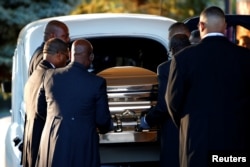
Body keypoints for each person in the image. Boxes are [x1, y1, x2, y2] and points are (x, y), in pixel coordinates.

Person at [166, 6, 250, 167]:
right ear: (225, 27)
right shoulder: (245, 57)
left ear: (201, 26)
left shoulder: (183, 59)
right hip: (236, 144)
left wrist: (189, 126)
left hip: (198, 145)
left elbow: (173, 103)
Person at [35, 39, 113, 167]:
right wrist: (109, 126)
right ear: (91, 57)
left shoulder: (49, 75)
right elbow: (102, 120)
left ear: (70, 55)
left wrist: (55, 123)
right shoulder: (97, 83)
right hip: (81, 148)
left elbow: (40, 110)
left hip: (51, 146)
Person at [140, 34, 191, 167]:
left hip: (173, 130)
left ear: (172, 50)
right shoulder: (199, 64)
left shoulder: (165, 68)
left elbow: (164, 105)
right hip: (195, 128)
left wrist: (146, 121)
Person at [22, 38, 69, 167]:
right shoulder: (51, 77)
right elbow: (43, 110)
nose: (67, 62)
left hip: (31, 142)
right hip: (43, 145)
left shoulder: (34, 75)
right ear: (59, 54)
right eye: (67, 57)